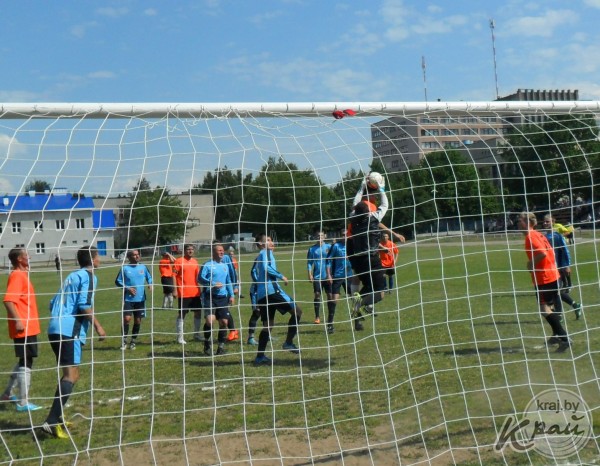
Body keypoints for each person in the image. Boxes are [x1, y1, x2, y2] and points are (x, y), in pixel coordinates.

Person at [40, 246, 106, 439]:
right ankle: (51, 421)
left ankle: (57, 417)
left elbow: (52, 303)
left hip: (55, 328)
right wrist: (98, 326)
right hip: (69, 331)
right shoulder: (89, 276)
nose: (100, 259)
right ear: (92, 259)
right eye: (98, 256)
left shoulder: (71, 276)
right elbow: (84, 305)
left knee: (70, 374)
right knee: (71, 375)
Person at [518, 212, 570, 352]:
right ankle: (556, 336)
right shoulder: (538, 234)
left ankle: (564, 338)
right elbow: (550, 252)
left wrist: (531, 264)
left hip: (544, 278)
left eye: (519, 221)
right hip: (552, 275)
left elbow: (542, 253)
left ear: (527, 222)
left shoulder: (531, 236)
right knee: (550, 308)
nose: (517, 223)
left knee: (544, 309)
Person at [252, 234, 303, 365]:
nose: (271, 242)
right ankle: (288, 343)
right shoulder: (266, 252)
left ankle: (260, 357)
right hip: (272, 291)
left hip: (262, 294)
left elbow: (255, 272)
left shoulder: (259, 255)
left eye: (271, 240)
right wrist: (281, 276)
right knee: (297, 311)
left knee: (268, 325)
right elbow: (266, 267)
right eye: (268, 240)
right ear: (261, 244)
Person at [2, 248, 42, 412]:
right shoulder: (17, 276)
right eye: (26, 255)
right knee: (26, 361)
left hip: (29, 326)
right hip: (24, 327)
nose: (29, 257)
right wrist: (18, 321)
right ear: (19, 259)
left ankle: (7, 394)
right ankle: (23, 402)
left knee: (25, 359)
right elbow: (8, 300)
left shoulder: (22, 275)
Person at [543, 214, 582, 319]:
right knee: (556, 291)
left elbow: (565, 250)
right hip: (549, 268)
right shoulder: (544, 237)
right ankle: (575, 305)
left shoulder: (557, 236)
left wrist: (567, 265)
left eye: (548, 221)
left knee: (556, 291)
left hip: (558, 267)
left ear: (553, 222)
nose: (545, 223)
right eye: (544, 221)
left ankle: (559, 315)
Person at [199, 244, 235, 355]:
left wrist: (232, 295)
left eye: (222, 250)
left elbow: (228, 281)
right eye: (219, 250)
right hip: (209, 297)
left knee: (224, 322)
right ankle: (207, 343)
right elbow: (200, 278)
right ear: (213, 252)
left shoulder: (225, 266)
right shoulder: (207, 265)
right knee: (210, 321)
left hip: (223, 298)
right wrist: (212, 283)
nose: (222, 252)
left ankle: (221, 347)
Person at [115, 250, 153, 350]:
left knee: (138, 320)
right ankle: (124, 341)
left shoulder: (143, 267)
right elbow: (118, 281)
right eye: (134, 255)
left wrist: (150, 284)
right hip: (128, 299)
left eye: (138, 254)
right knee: (127, 319)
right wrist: (128, 288)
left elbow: (149, 277)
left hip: (140, 299)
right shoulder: (124, 268)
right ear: (129, 257)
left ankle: (133, 341)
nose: (137, 256)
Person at [325, 229, 353, 334]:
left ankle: (357, 322)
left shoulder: (353, 245)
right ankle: (330, 324)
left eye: (346, 235)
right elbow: (328, 260)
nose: (344, 237)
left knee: (354, 298)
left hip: (349, 276)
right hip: (337, 276)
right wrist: (329, 275)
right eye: (343, 235)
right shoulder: (336, 246)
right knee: (334, 300)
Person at [173, 244, 202, 345]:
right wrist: (175, 290)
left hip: (195, 292)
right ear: (184, 251)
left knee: (198, 312)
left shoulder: (195, 262)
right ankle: (180, 337)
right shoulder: (179, 261)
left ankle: (196, 334)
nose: (190, 251)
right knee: (182, 314)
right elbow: (173, 275)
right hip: (183, 293)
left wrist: (200, 289)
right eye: (188, 249)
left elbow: (198, 277)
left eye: (192, 249)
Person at [307, 231, 332, 324]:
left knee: (330, 295)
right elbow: (309, 263)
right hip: (317, 276)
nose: (319, 237)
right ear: (315, 237)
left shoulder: (329, 247)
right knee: (317, 294)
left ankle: (330, 316)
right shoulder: (312, 249)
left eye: (321, 236)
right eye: (318, 236)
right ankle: (317, 317)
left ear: (324, 237)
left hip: (328, 276)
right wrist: (310, 274)